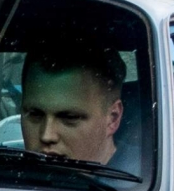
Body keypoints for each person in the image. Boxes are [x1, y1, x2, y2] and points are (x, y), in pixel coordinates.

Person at [15, 33, 128, 172]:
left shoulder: (148, 182)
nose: (46, 135)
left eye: (70, 117)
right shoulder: (1, 178)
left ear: (113, 118)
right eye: (35, 114)